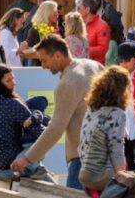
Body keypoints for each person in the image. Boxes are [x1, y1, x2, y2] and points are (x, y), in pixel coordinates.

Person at [11, 36, 102, 189]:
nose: (43, 66)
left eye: (44, 60)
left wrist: (27, 159)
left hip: (82, 158)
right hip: (104, 152)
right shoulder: (93, 65)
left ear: (58, 56)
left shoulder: (67, 84)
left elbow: (55, 129)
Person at [0, 65, 50, 180]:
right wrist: (45, 122)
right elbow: (42, 135)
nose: (14, 83)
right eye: (9, 80)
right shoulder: (11, 104)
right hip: (15, 167)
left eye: (13, 78)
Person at [76, 66, 130, 192]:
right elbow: (116, 149)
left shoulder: (91, 109)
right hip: (105, 176)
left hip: (88, 172)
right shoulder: (117, 114)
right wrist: (122, 180)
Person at [75, 0, 109, 64]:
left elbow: (103, 49)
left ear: (87, 9)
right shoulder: (81, 24)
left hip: (95, 68)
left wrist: (83, 51)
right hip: (82, 65)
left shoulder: (102, 26)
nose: (77, 11)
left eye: (79, 8)